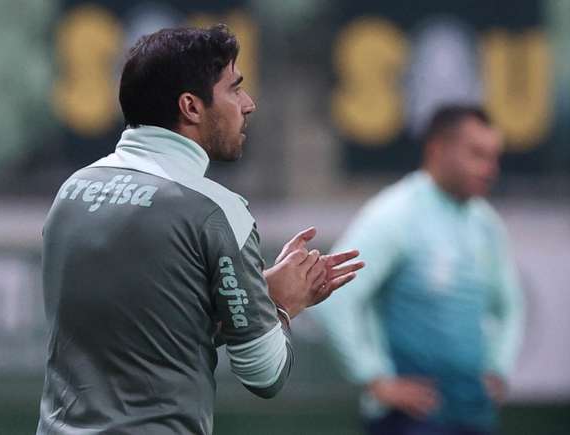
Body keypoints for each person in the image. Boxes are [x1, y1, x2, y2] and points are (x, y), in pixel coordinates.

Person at [36, 25, 363, 435]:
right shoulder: (216, 210)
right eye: (234, 88)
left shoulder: (73, 191)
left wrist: (251, 294)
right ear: (191, 106)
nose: (249, 104)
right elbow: (265, 374)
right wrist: (280, 306)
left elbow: (147, 328)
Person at [312, 105, 524, 435]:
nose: (490, 168)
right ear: (437, 149)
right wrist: (374, 378)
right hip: (409, 421)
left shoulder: (486, 223)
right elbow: (333, 296)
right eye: (477, 154)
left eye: (494, 157)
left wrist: (499, 368)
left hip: (474, 415)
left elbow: (511, 305)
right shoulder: (395, 213)